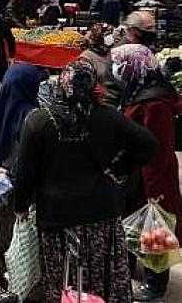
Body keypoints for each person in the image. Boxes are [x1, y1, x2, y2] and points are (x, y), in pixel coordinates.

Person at [12, 60, 158, 303]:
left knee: (66, 281)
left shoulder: (39, 121)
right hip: (102, 214)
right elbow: (148, 144)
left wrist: (20, 206)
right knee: (102, 276)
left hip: (58, 219)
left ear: (61, 84)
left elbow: (25, 173)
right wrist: (120, 168)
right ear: (93, 86)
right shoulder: (109, 116)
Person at [111, 44, 182, 301]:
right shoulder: (137, 91)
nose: (117, 69)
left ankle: (155, 284)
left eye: (121, 63)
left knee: (155, 228)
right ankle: (132, 269)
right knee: (134, 224)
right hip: (135, 175)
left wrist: (154, 193)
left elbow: (157, 149)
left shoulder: (155, 104)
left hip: (153, 179)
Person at [0, 64, 47, 287]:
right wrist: (12, 173)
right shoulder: (34, 117)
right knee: (21, 242)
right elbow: (33, 158)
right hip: (24, 194)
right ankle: (22, 285)